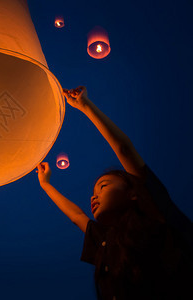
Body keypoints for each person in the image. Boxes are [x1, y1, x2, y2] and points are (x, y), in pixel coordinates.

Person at [37, 87, 193, 300]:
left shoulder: (154, 214)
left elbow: (124, 150)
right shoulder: (107, 239)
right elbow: (76, 216)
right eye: (94, 191)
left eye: (103, 186)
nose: (93, 197)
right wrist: (46, 185)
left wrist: (85, 106)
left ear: (133, 192)